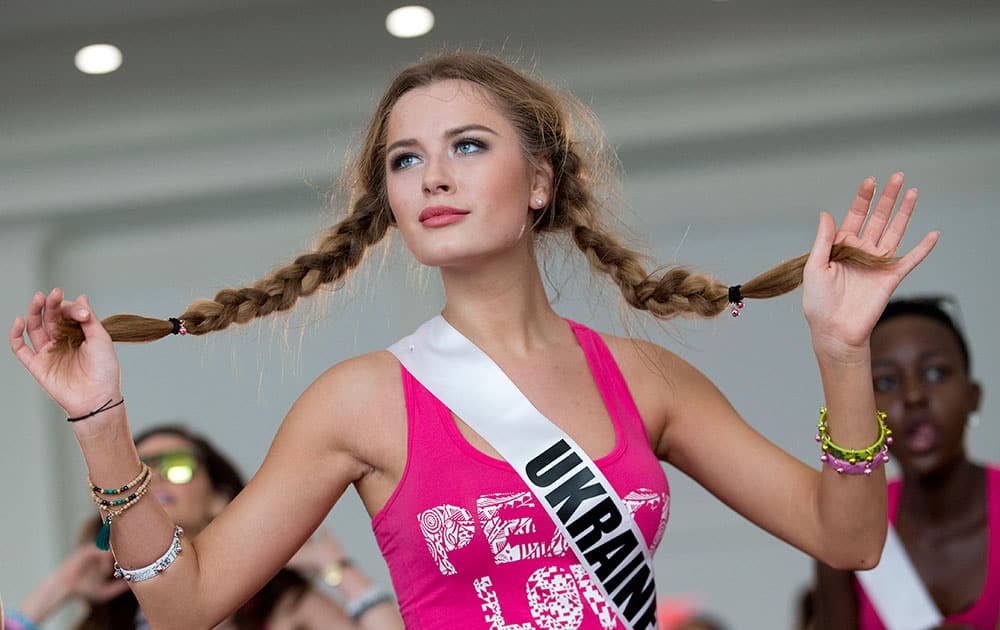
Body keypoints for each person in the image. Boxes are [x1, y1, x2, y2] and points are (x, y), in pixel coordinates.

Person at [9, 51, 938, 629]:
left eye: (467, 146)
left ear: (540, 181)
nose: (431, 178)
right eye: (404, 160)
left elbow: (846, 535)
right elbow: (184, 606)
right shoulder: (362, 400)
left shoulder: (644, 378)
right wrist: (98, 418)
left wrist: (841, 351)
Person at [3, 425, 400, 630]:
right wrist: (61, 587)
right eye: (139, 472)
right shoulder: (114, 617)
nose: (153, 480)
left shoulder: (281, 605)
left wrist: (335, 567)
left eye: (176, 467)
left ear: (219, 498)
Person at [814, 297, 998, 629]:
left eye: (934, 373)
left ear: (973, 396)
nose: (913, 396)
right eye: (886, 381)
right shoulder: (844, 525)